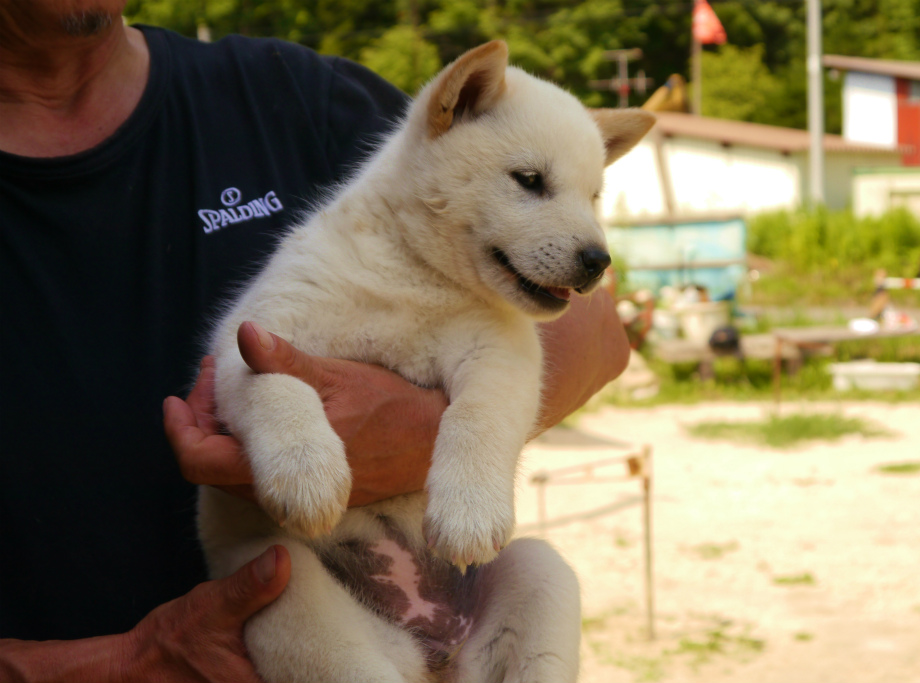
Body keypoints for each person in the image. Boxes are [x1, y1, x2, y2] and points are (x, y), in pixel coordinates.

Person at [0, 2, 630, 680]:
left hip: (455, 584)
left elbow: (589, 335)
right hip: (297, 597)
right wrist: (125, 660)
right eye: (531, 185)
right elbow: (252, 361)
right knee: (284, 580)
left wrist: (421, 434)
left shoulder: (293, 94)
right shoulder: (345, 245)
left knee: (541, 573)